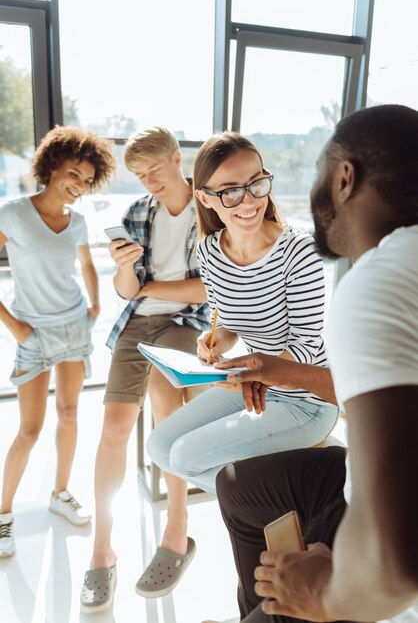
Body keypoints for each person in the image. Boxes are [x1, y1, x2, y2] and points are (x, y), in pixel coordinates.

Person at [213, 103, 418, 623]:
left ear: (345, 178)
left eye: (319, 171)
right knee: (236, 484)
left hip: (387, 541)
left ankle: (281, 611)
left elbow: (397, 565)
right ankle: (259, 607)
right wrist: (282, 372)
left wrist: (324, 596)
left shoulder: (377, 283)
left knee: (292, 602)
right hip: (370, 478)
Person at [146, 132, 339, 596]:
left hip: (303, 400)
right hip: (251, 383)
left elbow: (307, 349)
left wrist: (252, 370)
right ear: (205, 197)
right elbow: (229, 323)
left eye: (256, 183)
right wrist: (212, 343)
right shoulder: (211, 251)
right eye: (230, 190)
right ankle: (277, 504)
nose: (247, 200)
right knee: (160, 446)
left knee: (189, 457)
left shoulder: (300, 253)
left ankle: (284, 513)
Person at [80, 127, 209, 613]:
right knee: (113, 427)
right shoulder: (137, 213)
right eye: (139, 175)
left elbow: (208, 292)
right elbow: (126, 291)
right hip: (138, 323)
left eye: (155, 169)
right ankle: (102, 550)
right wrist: (124, 269)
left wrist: (148, 288)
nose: (149, 181)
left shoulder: (209, 209)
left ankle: (177, 532)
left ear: (178, 158)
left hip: (185, 323)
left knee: (162, 393)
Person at [0, 125, 116, 558]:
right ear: (52, 166)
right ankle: (2, 516)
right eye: (75, 175)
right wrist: (13, 326)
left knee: (69, 413)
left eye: (88, 181)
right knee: (29, 429)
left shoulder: (79, 222)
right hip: (32, 332)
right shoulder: (12, 213)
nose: (80, 187)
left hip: (72, 328)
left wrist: (95, 304)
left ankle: (60, 493)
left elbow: (87, 264)